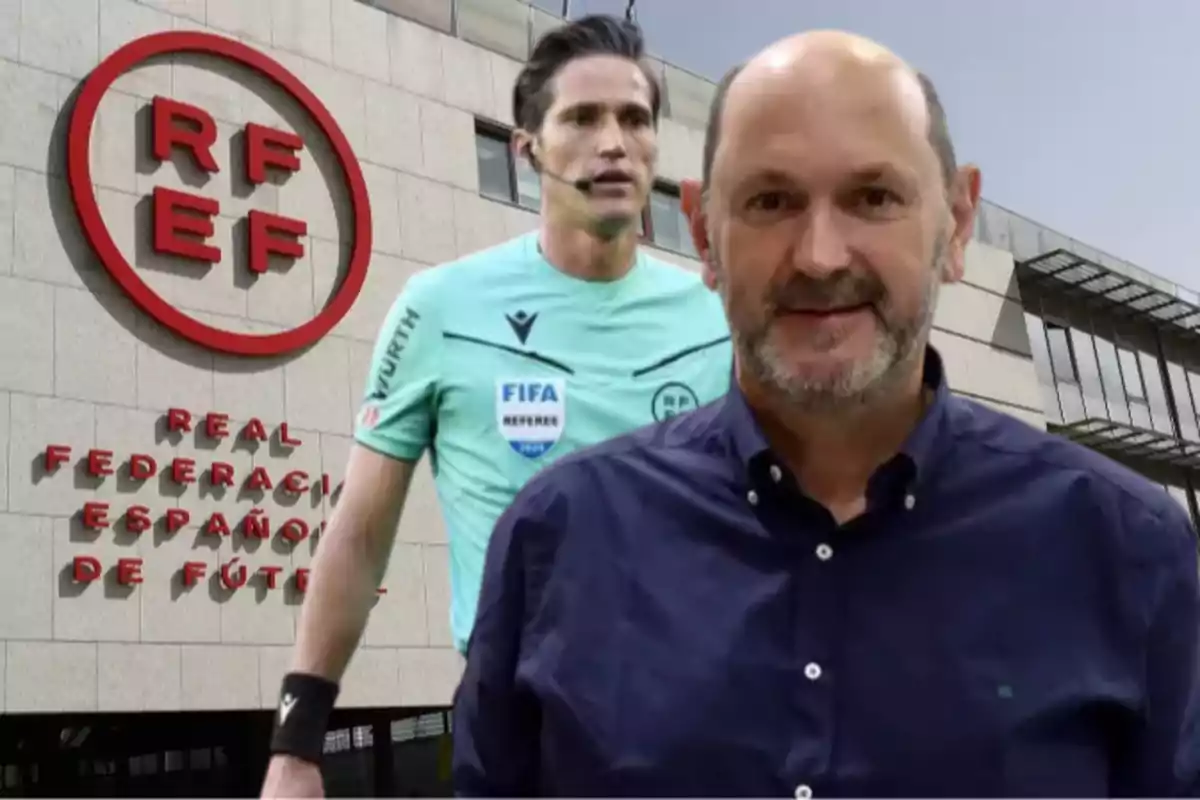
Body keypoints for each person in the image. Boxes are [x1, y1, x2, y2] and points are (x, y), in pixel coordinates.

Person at [451, 29, 1200, 797]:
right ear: (705, 235)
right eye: (771, 200)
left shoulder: (1126, 549)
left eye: (873, 197)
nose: (820, 256)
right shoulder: (557, 539)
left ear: (957, 224)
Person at [259, 13, 733, 799]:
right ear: (528, 151)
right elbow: (361, 531)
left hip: (706, 724)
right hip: (521, 733)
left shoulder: (720, 320)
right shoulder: (440, 306)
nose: (613, 141)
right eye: (582, 118)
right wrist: (295, 744)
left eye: (634, 119)